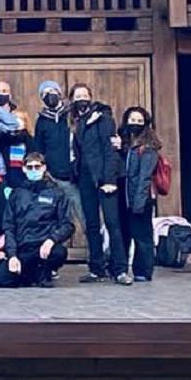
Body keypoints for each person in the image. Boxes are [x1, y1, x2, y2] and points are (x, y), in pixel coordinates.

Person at [68, 83, 121, 283]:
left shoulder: (103, 119)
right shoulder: (75, 121)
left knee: (112, 223)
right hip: (84, 179)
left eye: (84, 95)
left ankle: (119, 268)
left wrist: (109, 179)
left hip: (103, 178)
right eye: (77, 96)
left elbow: (109, 151)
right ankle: (97, 268)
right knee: (91, 224)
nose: (81, 98)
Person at [32, 82, 88, 264]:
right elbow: (38, 148)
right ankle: (52, 260)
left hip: (73, 177)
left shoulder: (71, 114)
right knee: (54, 221)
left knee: (85, 218)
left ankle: (98, 257)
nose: (51, 95)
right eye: (46, 93)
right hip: (53, 177)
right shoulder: (41, 120)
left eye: (53, 91)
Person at [0, 152, 73, 287]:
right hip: (23, 247)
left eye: (37, 167)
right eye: (30, 167)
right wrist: (12, 255)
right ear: (24, 169)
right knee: (0, 278)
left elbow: (67, 224)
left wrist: (52, 240)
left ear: (44, 168)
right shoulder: (16, 194)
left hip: (44, 246)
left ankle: (43, 272)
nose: (34, 170)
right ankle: (32, 275)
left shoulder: (57, 193)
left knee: (58, 253)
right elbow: (9, 226)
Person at [112, 105, 162, 285]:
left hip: (140, 198)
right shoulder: (124, 143)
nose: (135, 124)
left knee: (142, 237)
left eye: (139, 121)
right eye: (132, 120)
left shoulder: (148, 146)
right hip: (122, 197)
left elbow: (145, 176)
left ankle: (143, 271)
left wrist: (139, 202)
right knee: (122, 233)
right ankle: (120, 268)